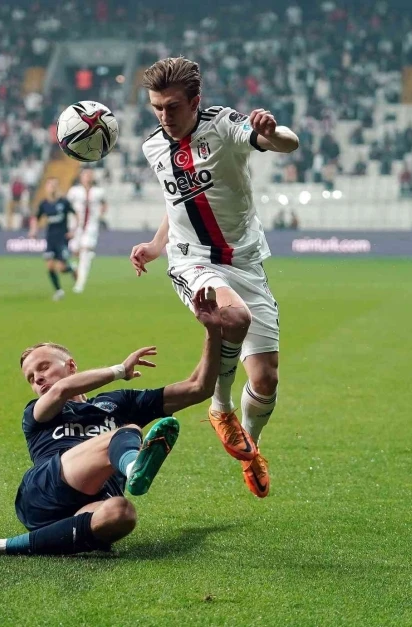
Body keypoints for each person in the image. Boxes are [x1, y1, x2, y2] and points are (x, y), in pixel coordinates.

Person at [0, 287, 221, 557]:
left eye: (44, 367)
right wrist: (119, 370)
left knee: (121, 514)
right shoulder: (36, 412)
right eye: (31, 378)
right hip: (44, 491)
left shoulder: (118, 402)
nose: (38, 378)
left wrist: (214, 332)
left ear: (71, 366)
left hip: (91, 498)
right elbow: (62, 390)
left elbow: (198, 388)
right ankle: (134, 467)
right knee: (125, 432)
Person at [129, 57, 300, 498]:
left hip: (245, 262)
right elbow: (175, 205)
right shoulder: (153, 147)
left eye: (172, 106)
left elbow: (288, 143)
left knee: (266, 379)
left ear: (195, 102)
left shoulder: (223, 125)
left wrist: (270, 130)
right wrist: (156, 246)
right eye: (156, 107)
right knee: (233, 316)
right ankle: (220, 407)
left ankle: (251, 447)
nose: (164, 116)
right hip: (193, 260)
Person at [29, 177, 78, 301]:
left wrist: (73, 231)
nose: (52, 188)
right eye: (50, 185)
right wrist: (34, 230)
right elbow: (35, 218)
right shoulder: (44, 204)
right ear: (46, 188)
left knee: (61, 268)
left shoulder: (64, 202)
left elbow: (76, 214)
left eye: (54, 185)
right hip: (50, 239)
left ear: (57, 187)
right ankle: (58, 291)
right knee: (50, 266)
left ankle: (72, 268)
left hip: (62, 239)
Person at [66, 168, 108, 293]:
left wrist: (100, 215)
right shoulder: (74, 191)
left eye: (90, 175)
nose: (88, 177)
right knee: (74, 251)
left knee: (85, 252)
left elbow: (104, 204)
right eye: (86, 175)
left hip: (91, 226)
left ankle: (80, 283)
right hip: (76, 226)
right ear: (81, 177)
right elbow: (67, 206)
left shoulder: (99, 191)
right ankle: (74, 268)